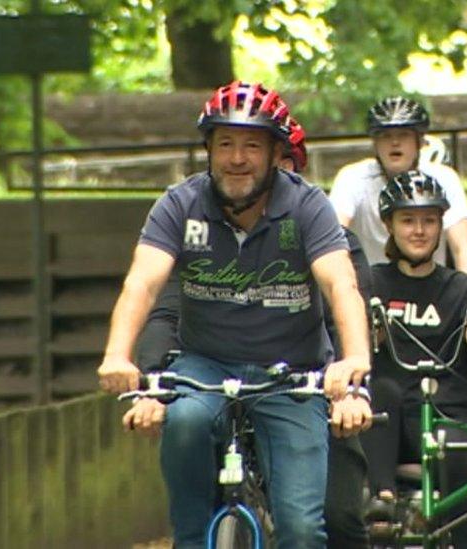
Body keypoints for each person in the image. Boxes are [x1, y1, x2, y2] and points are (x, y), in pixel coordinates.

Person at [96, 80, 372, 549]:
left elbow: (340, 284)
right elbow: (143, 283)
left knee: (303, 530)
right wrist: (119, 358)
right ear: (208, 149)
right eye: (225, 144)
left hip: (292, 372)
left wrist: (353, 362)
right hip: (205, 365)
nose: (237, 158)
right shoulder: (180, 204)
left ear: (274, 153)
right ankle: (191, 537)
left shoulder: (307, 206)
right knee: (183, 423)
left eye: (251, 145)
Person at [359, 170, 467, 549]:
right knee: (379, 390)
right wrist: (368, 335)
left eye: (429, 221)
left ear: (440, 226)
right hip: (392, 425)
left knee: (449, 443)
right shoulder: (370, 283)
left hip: (455, 419)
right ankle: (382, 505)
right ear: (389, 225)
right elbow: (348, 339)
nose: (418, 230)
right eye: (408, 220)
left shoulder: (463, 287)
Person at [329, 96, 467, 275]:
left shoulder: (444, 179)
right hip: (371, 290)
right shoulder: (352, 178)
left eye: (404, 135)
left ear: (420, 142)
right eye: (385, 136)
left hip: (431, 290)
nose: (395, 143)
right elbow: (333, 241)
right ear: (375, 143)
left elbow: (463, 250)